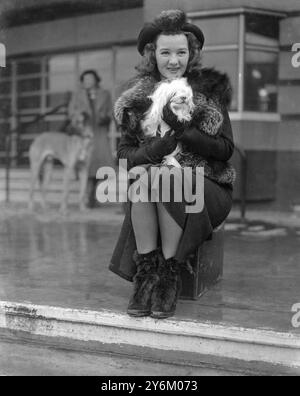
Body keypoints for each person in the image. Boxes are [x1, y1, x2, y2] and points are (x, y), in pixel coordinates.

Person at [109, 10, 236, 319]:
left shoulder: (209, 91)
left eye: (181, 52)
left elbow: (225, 150)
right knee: (147, 177)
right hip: (155, 184)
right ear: (153, 55)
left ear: (190, 54)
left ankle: (167, 276)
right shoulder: (136, 98)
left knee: (161, 179)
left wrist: (183, 134)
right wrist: (157, 148)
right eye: (166, 52)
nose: (174, 60)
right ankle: (148, 277)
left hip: (208, 185)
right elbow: (124, 156)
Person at [68, 69, 114, 208]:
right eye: (85, 79)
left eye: (90, 78)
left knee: (100, 164)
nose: (88, 81)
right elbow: (71, 112)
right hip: (84, 135)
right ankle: (87, 195)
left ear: (96, 80)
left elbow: (110, 111)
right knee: (84, 164)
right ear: (82, 82)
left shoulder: (104, 94)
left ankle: (92, 192)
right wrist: (79, 117)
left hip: (99, 132)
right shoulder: (77, 95)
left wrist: (105, 118)